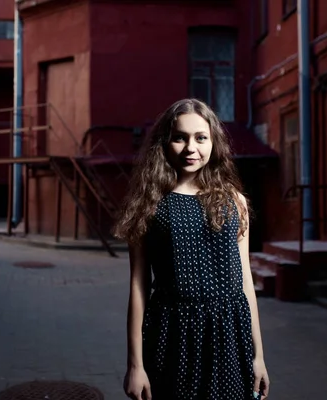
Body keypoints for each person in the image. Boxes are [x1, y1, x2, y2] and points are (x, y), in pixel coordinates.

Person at [113, 99, 270, 400]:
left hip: (229, 335)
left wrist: (258, 356)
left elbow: (246, 282)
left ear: (214, 142)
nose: (190, 148)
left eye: (201, 138)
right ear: (165, 142)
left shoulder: (234, 200)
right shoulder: (150, 203)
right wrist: (135, 365)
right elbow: (138, 285)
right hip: (174, 334)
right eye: (180, 137)